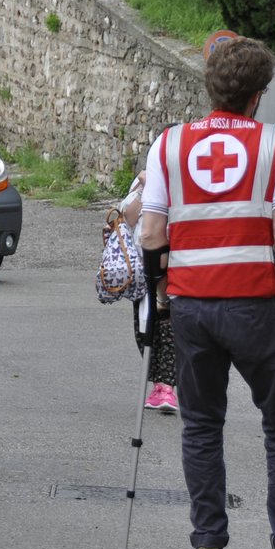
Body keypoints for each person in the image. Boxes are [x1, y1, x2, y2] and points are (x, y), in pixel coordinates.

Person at [137, 37, 275, 549]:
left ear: (210, 85)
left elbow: (151, 231)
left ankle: (207, 546)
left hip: (192, 305)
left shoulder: (169, 143)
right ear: (260, 93)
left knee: (200, 425)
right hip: (257, 304)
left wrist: (161, 290)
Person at [109, 171, 178, 414]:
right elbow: (128, 217)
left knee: (168, 328)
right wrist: (145, 188)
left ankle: (167, 387)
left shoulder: (186, 178)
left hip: (177, 267)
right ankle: (160, 385)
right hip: (144, 268)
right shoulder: (143, 181)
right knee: (145, 331)